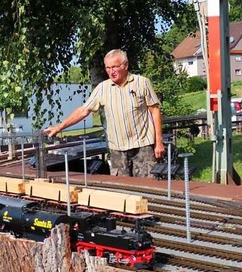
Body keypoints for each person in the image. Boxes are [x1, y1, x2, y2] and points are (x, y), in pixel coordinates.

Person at [44, 49, 165, 177]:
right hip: (117, 150)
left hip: (143, 147)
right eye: (107, 68)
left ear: (126, 65)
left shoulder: (142, 83)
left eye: (114, 67)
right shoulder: (102, 88)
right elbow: (83, 110)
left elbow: (155, 111)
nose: (110, 71)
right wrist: (59, 127)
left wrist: (159, 142)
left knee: (147, 188)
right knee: (121, 190)